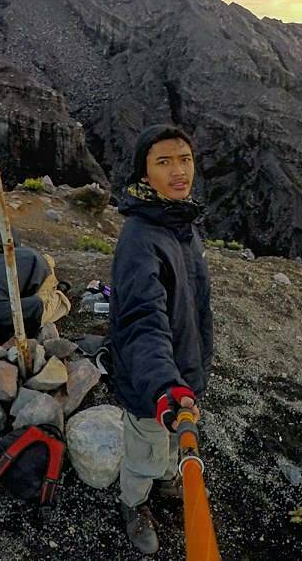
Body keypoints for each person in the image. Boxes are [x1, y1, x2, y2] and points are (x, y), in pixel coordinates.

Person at [109, 124, 213, 555]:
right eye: (164, 162)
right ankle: (133, 503)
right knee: (142, 449)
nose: (178, 171)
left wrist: (189, 372)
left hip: (181, 373)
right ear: (143, 173)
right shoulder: (140, 239)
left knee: (169, 439)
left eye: (185, 159)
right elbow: (141, 321)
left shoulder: (182, 225)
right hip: (151, 383)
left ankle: (169, 475)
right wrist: (164, 386)